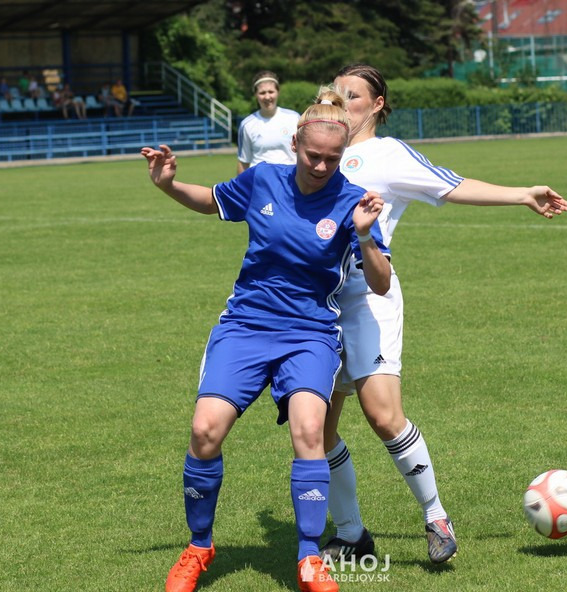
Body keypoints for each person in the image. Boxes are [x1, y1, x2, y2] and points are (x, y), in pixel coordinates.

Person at [141, 88, 392, 592]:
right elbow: (212, 201)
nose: (321, 166)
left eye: (332, 158)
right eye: (313, 155)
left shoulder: (353, 201)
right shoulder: (262, 179)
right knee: (205, 431)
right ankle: (199, 546)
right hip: (246, 326)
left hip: (309, 334)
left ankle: (309, 558)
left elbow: (382, 283)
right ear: (295, 143)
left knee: (309, 431)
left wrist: (365, 234)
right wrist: (169, 185)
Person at [319, 63, 567, 564]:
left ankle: (436, 517)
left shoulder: (387, 155)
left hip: (369, 299)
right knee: (316, 429)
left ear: (377, 105)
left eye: (353, 95)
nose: (342, 102)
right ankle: (351, 534)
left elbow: (451, 185)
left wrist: (522, 194)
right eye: (336, 93)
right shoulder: (317, 151)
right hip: (316, 305)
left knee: (383, 416)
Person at [236, 70, 300, 176]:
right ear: (256, 95)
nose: (267, 97)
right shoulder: (247, 124)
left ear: (278, 92)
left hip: (290, 181)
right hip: (259, 183)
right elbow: (243, 162)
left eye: (271, 92)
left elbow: (303, 153)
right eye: (262, 93)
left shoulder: (294, 118)